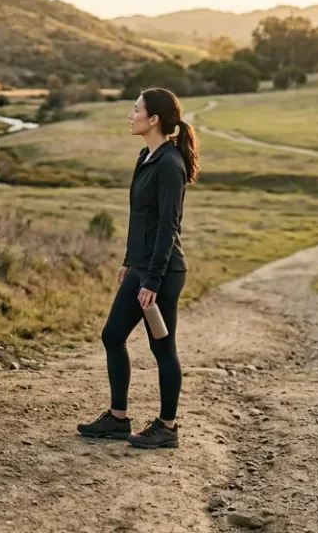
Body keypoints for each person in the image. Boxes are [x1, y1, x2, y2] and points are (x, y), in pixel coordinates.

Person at [77, 87, 198, 449]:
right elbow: (140, 216)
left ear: (154, 119)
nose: (131, 116)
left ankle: (167, 427)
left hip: (163, 272)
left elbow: (168, 226)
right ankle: (118, 419)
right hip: (141, 267)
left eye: (136, 110)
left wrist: (152, 280)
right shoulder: (146, 156)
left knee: (162, 348)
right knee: (112, 335)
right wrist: (129, 261)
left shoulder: (170, 165)